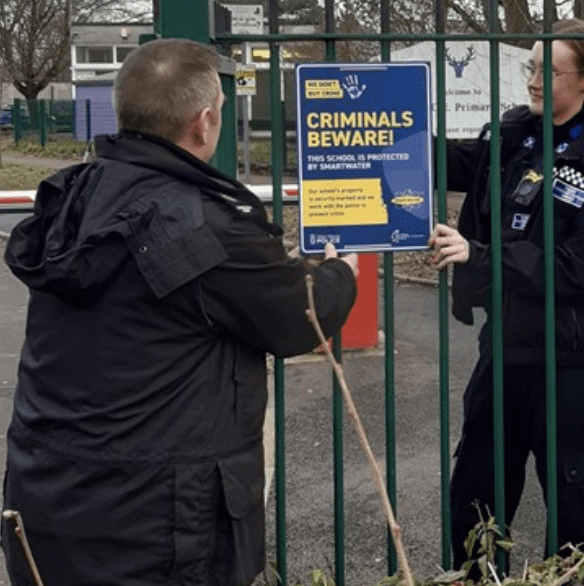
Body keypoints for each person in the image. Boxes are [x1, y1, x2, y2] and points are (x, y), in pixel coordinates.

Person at [1, 38, 358, 586]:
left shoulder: (75, 195)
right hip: (155, 527)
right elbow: (297, 316)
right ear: (205, 122)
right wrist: (340, 273)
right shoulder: (201, 224)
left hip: (49, 499)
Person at [429, 18, 584, 573]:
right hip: (504, 351)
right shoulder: (512, 135)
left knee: (574, 510)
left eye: (551, 70)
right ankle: (474, 580)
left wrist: (482, 257)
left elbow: (582, 268)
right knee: (475, 494)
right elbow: (448, 163)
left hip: (570, 364)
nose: (536, 80)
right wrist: (384, 131)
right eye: (531, 67)